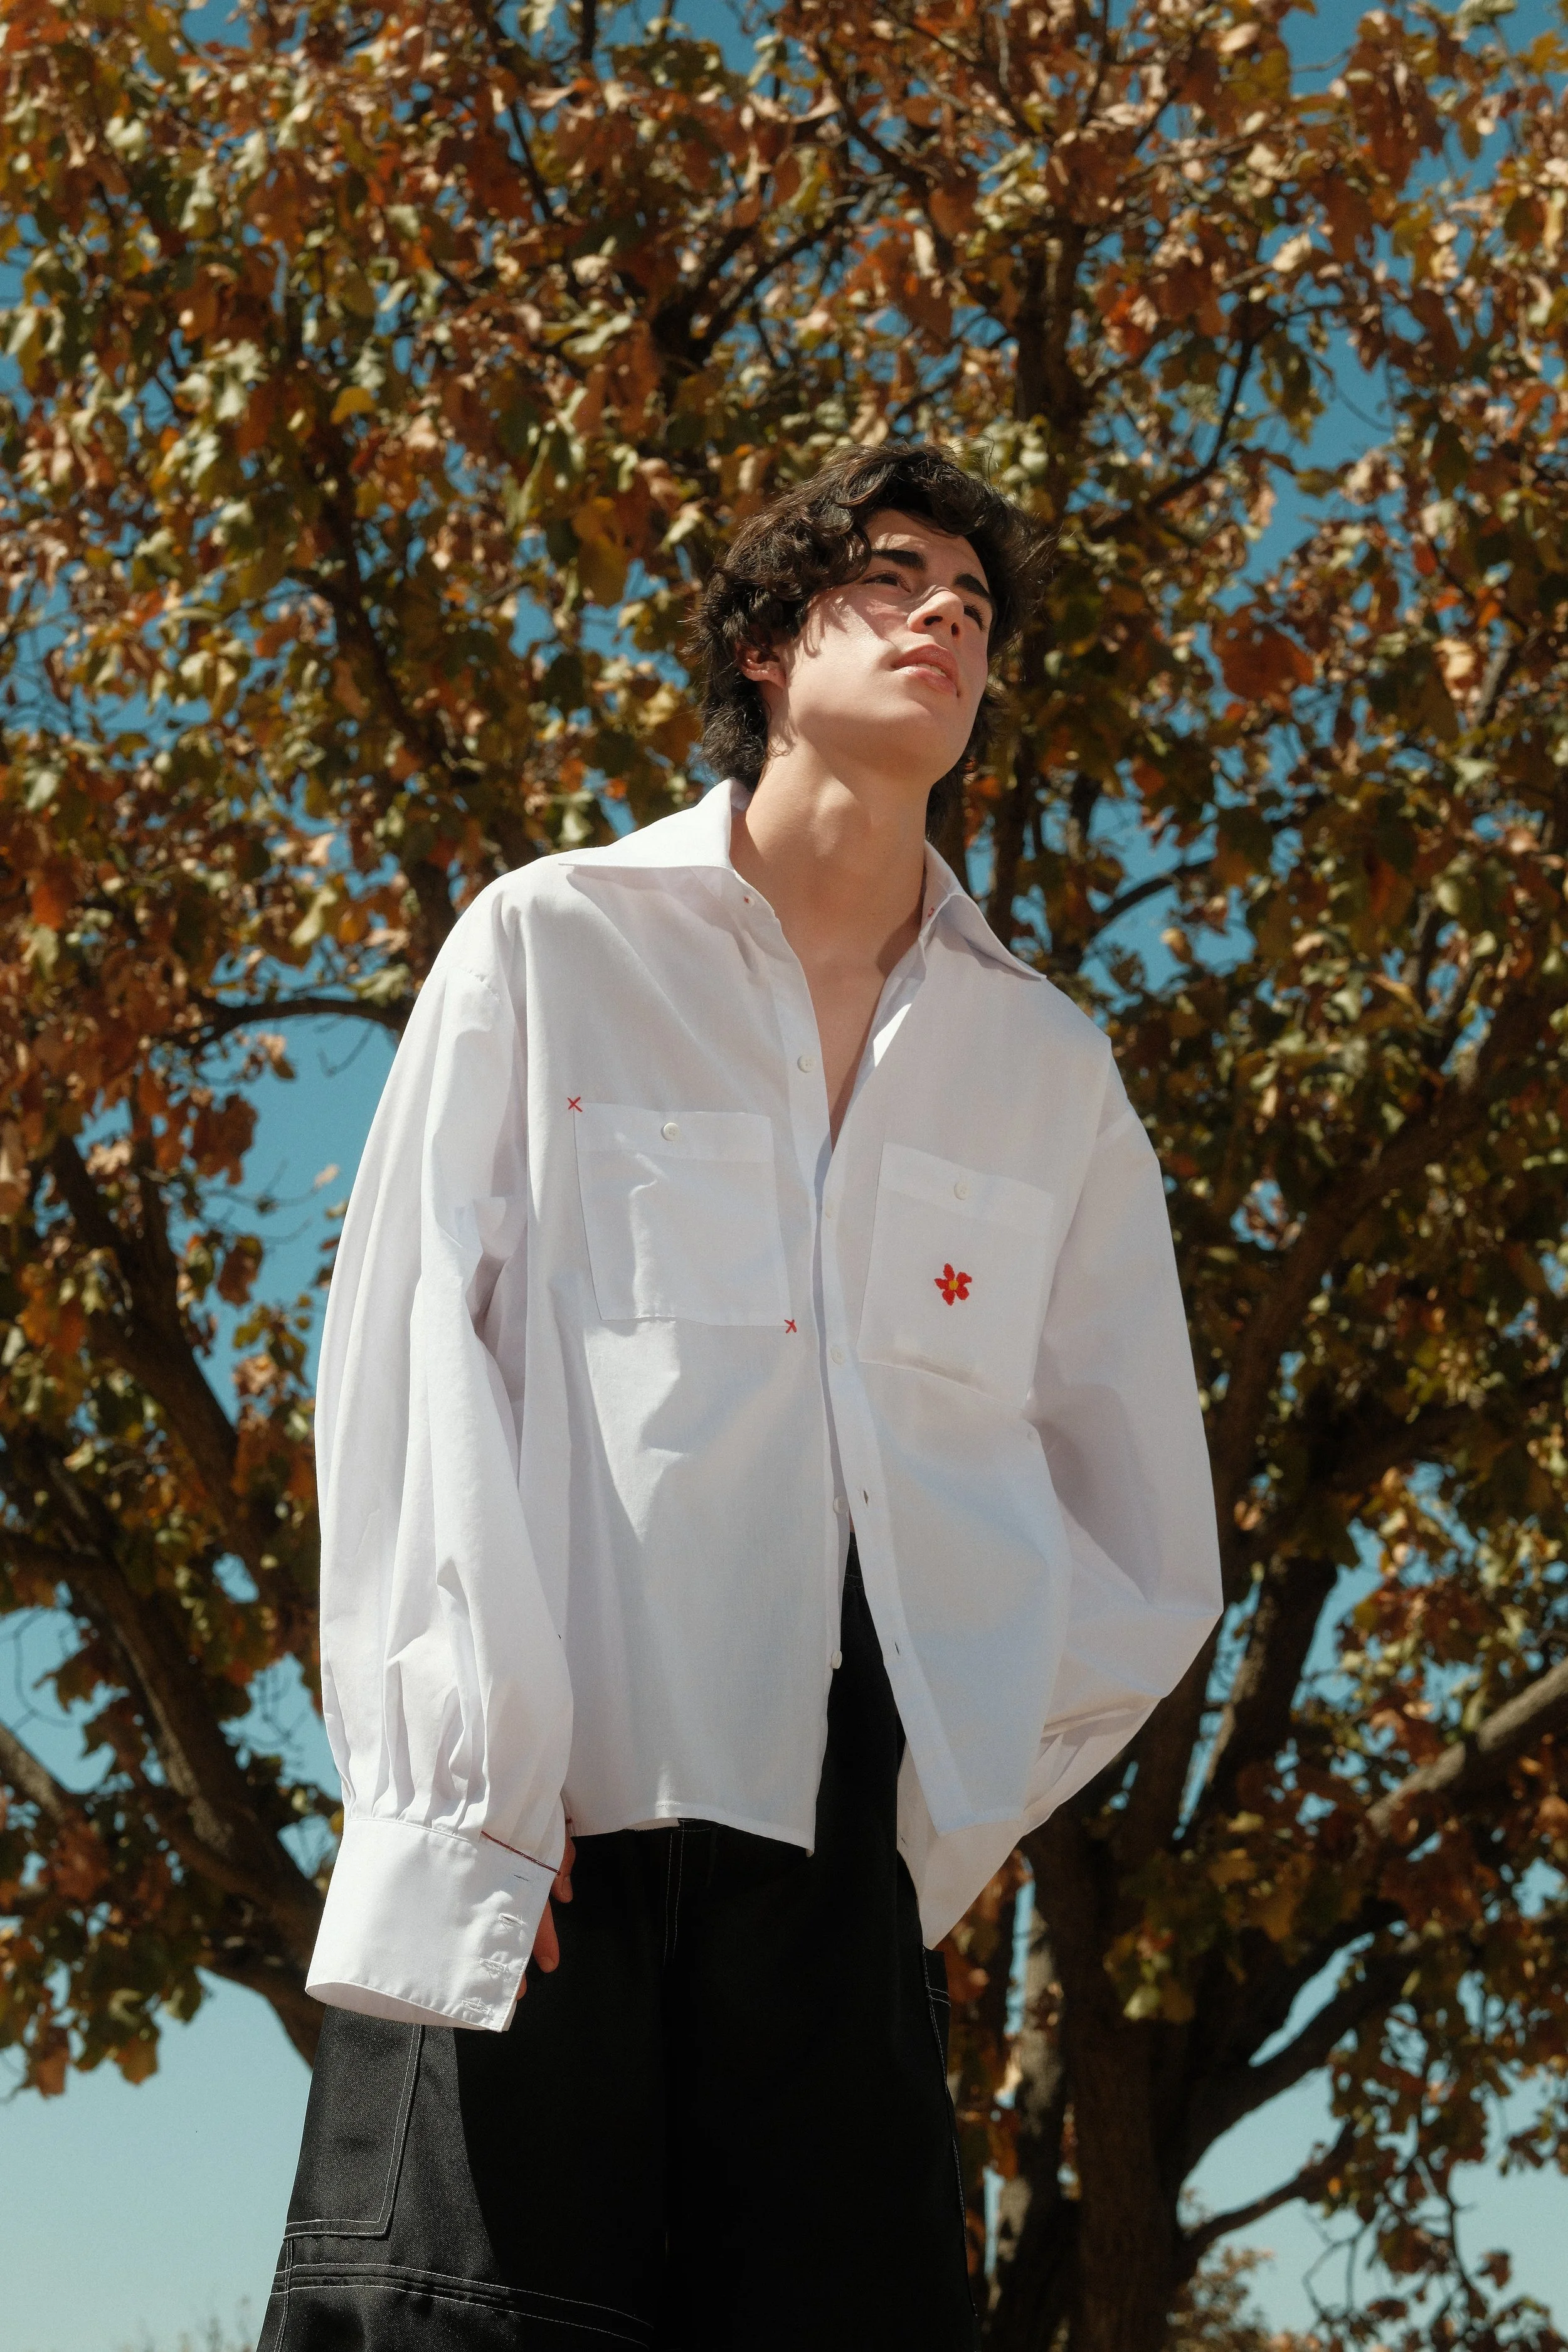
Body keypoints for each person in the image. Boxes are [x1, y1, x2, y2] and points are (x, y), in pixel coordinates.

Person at [258, 443, 1222, 2352]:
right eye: (890, 572)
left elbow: (1139, 1536)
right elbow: (400, 1367)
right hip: (534, 1863)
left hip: (830, 1923)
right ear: (771, 642)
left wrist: (919, 1832)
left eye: (976, 597)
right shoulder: (549, 944)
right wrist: (458, 1793)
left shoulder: (1046, 1069)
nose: (949, 610)